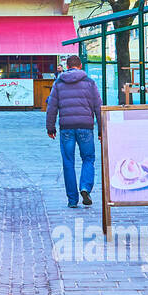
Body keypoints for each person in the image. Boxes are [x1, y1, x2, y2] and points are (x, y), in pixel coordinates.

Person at [45, 56, 101, 208]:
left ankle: (72, 200)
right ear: (80, 66)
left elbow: (51, 107)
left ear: (67, 66)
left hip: (66, 128)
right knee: (88, 158)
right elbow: (98, 107)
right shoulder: (90, 83)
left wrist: (50, 127)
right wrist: (102, 129)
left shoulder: (58, 83)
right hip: (86, 127)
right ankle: (85, 187)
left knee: (68, 162)